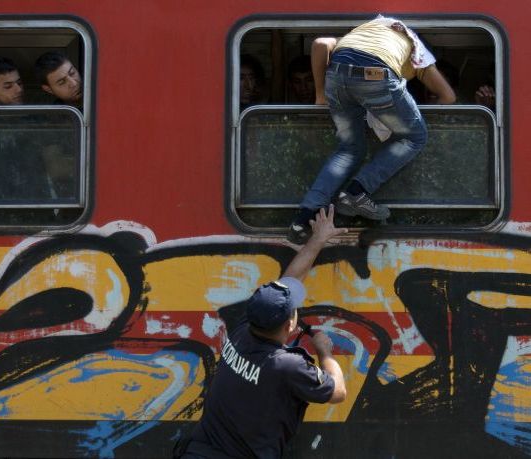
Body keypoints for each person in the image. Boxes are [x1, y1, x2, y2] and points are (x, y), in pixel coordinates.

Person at [179, 205, 347, 459]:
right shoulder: (287, 366)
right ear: (290, 324)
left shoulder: (242, 331)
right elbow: (337, 392)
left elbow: (290, 279)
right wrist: (326, 353)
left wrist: (318, 239)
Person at [287, 17, 456, 244]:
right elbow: (448, 97)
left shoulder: (363, 35)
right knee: (414, 136)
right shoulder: (419, 53)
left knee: (350, 148)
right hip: (375, 74)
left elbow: (320, 44)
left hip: (336, 75)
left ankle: (303, 218)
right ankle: (357, 190)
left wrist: (320, 94)